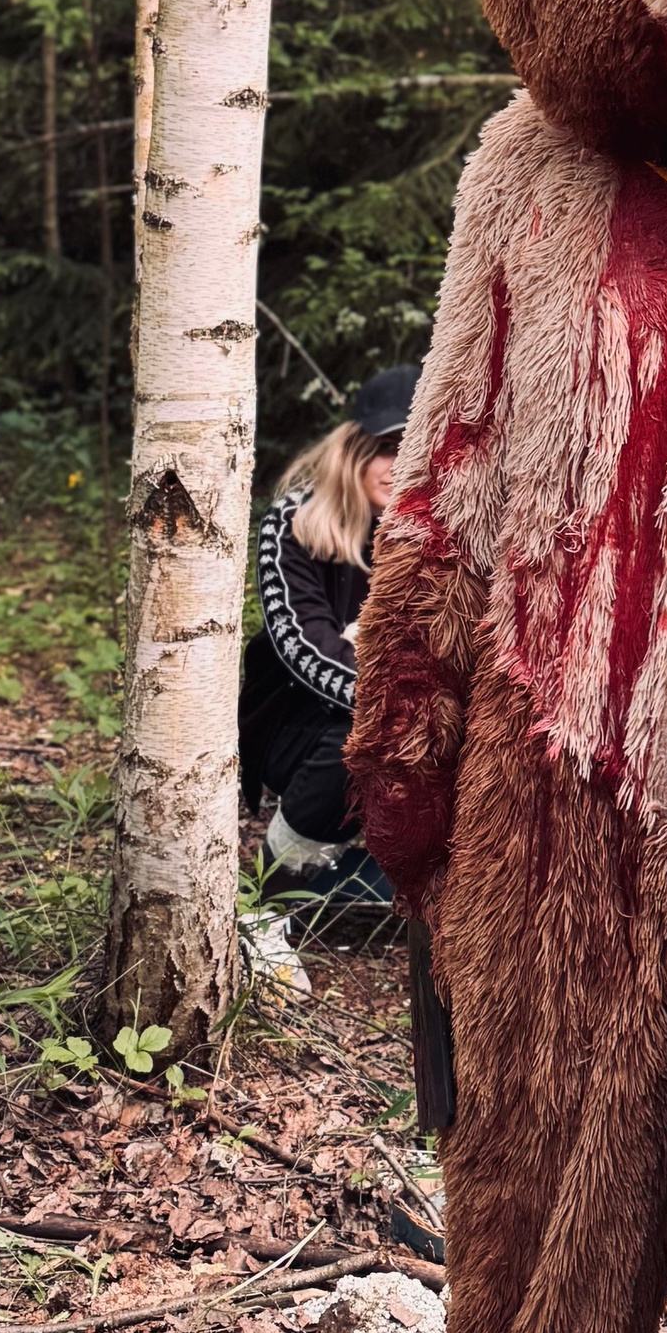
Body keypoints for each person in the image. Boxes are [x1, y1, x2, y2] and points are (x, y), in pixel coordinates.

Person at [239, 365, 416, 928]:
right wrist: (403, 697)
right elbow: (305, 650)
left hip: (405, 718)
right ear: (354, 448)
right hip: (296, 725)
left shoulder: (440, 531)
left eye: (415, 448)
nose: (400, 466)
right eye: (386, 448)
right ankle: (264, 909)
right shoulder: (295, 523)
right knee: (360, 737)